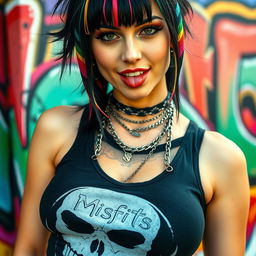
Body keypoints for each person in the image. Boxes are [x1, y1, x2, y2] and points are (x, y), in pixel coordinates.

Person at [13, 0, 250, 255]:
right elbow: (29, 247)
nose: (131, 54)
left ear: (172, 36)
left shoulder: (220, 159)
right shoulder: (56, 130)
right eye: (109, 36)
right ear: (89, 47)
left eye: (148, 30)